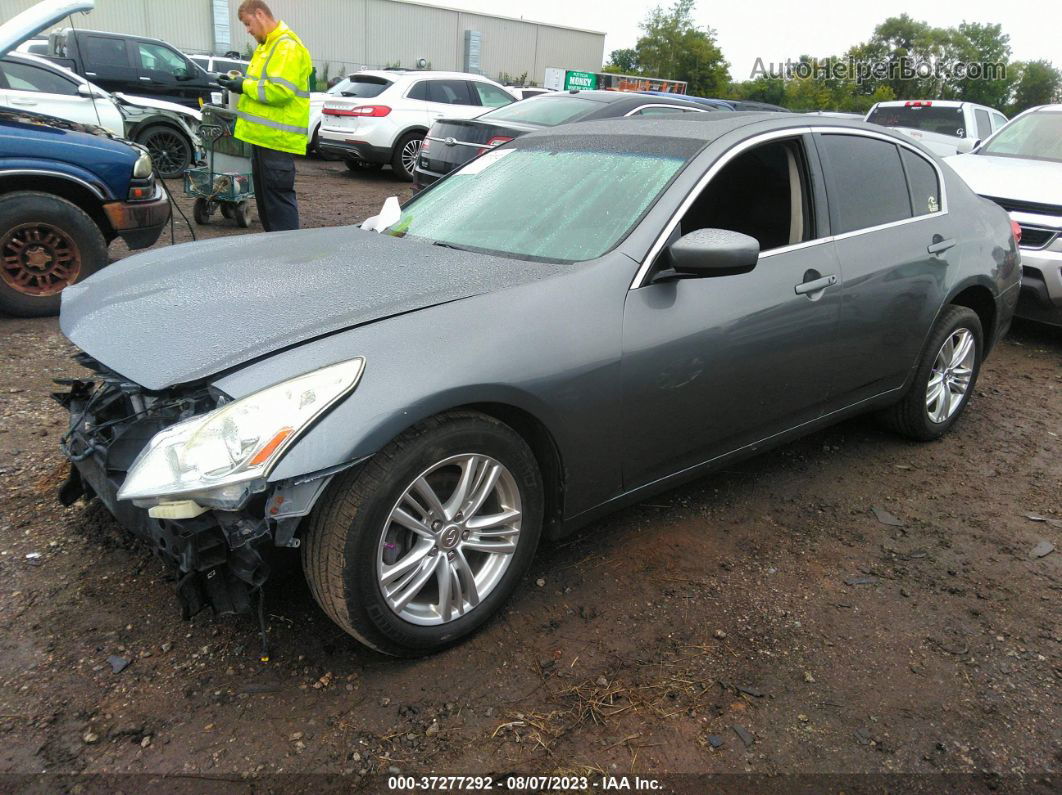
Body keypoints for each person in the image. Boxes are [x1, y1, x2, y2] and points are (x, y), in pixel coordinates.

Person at [217, 0, 310, 232]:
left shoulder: (286, 46)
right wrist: (239, 84)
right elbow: (260, 85)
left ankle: (287, 258)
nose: (248, 30)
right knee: (269, 205)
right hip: (264, 139)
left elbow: (281, 91)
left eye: (248, 23)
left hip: (277, 140)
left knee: (278, 203)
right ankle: (276, 256)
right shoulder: (267, 46)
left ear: (260, 14)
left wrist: (243, 86)